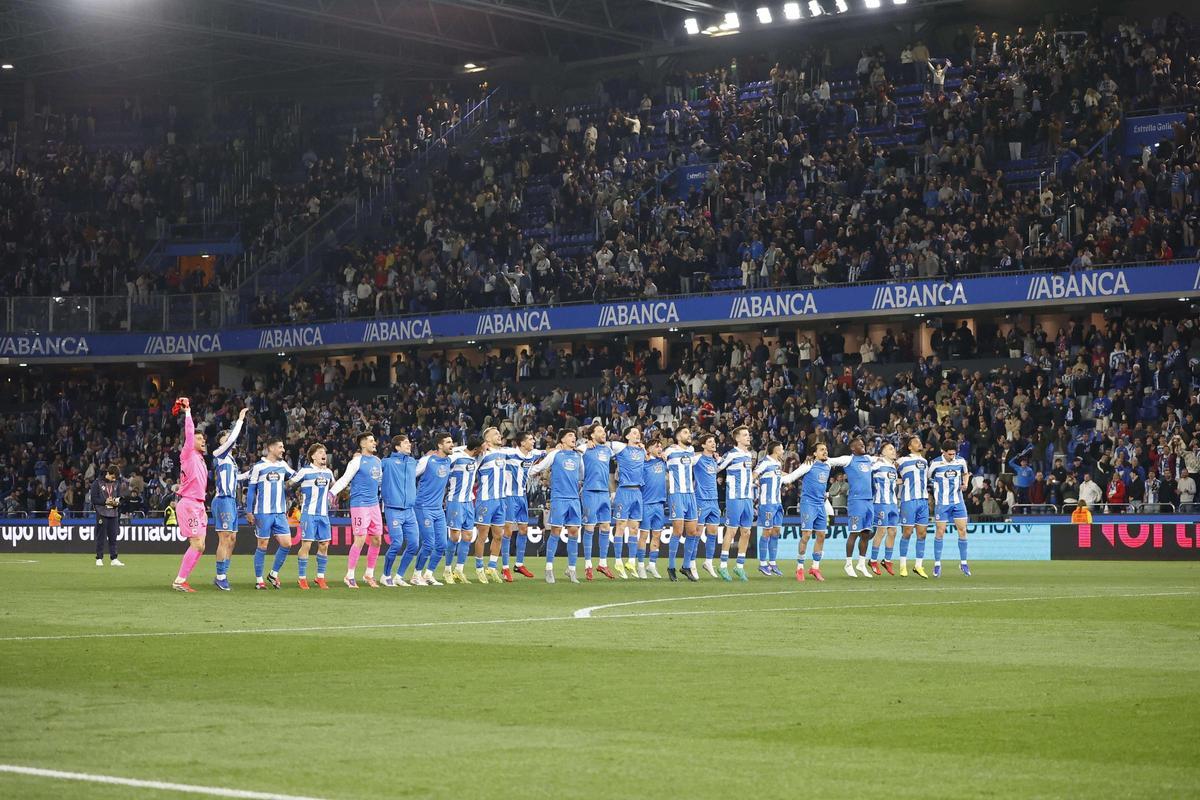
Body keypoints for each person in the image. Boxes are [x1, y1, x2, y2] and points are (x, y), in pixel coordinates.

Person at [791, 440, 852, 582]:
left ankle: (815, 567)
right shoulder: (809, 464)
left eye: (826, 449)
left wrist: (862, 458)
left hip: (820, 504)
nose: (825, 451)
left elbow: (843, 460)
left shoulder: (828, 463)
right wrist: (778, 479)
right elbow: (793, 476)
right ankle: (800, 568)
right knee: (806, 535)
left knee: (821, 535)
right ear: (814, 453)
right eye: (821, 450)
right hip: (808, 504)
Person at [329, 432, 384, 588]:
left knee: (377, 539)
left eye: (374, 440)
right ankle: (350, 575)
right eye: (371, 441)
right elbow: (345, 479)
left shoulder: (377, 461)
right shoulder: (356, 462)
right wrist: (332, 493)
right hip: (359, 504)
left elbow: (378, 483)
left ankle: (369, 574)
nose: (375, 443)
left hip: (374, 504)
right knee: (360, 538)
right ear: (363, 444)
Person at [530, 429, 584, 583]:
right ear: (562, 441)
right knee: (555, 531)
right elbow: (540, 467)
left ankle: (571, 569)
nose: (573, 438)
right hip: (559, 498)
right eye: (570, 436)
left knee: (574, 532)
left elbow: (581, 475)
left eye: (574, 436)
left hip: (574, 498)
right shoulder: (555, 454)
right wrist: (527, 472)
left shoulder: (578, 456)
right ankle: (549, 569)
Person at [245, 437, 296, 589]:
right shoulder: (258, 467)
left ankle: (273, 574)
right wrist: (249, 511)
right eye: (280, 447)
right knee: (263, 545)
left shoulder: (283, 465)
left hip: (280, 512)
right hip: (263, 513)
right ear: (271, 448)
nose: (283, 450)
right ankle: (259, 580)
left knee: (287, 544)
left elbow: (296, 476)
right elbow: (251, 490)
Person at [210, 406, 248, 590]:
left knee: (232, 539)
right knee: (225, 538)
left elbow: (237, 478)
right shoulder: (219, 454)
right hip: (223, 500)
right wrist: (240, 420)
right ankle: (220, 576)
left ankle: (223, 573)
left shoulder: (231, 461)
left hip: (232, 502)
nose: (229, 438)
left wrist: (252, 473)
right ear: (220, 443)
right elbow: (233, 438)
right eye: (225, 437)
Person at [170, 397, 207, 592]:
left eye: (204, 439)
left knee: (201, 546)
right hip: (189, 504)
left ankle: (183, 579)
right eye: (200, 439)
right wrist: (188, 412)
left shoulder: (201, 459)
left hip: (199, 505)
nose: (203, 441)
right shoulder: (188, 453)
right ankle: (179, 580)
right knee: (197, 543)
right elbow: (190, 433)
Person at [289, 443, 335, 589]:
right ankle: (302, 578)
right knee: (307, 545)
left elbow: (334, 488)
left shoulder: (328, 472)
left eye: (325, 452)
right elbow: (289, 484)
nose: (324, 455)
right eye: (321, 452)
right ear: (313, 456)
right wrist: (297, 498)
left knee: (324, 545)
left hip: (323, 515)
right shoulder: (305, 471)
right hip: (308, 514)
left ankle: (320, 577)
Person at [579, 423, 621, 580]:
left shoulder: (608, 450)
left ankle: (602, 563)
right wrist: (583, 444)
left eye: (604, 431)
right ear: (591, 435)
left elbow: (622, 450)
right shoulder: (585, 448)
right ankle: (588, 565)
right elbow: (573, 450)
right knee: (589, 527)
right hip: (590, 492)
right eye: (599, 431)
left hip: (604, 493)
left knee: (605, 527)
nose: (603, 433)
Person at [413, 432, 455, 585]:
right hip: (423, 506)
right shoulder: (427, 460)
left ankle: (428, 574)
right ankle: (416, 575)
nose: (452, 445)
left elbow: (464, 449)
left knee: (442, 544)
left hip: (438, 508)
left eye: (452, 442)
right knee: (429, 543)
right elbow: (410, 475)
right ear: (439, 445)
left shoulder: (449, 459)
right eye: (448, 442)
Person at [502, 432, 545, 580]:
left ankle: (519, 564)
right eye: (530, 439)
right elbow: (493, 451)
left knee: (523, 530)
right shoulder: (509, 453)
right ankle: (505, 567)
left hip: (522, 497)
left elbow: (549, 451)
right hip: (509, 497)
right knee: (507, 532)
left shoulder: (533, 454)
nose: (533, 441)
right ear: (521, 443)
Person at [380, 434, 421, 587]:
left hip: (410, 511)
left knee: (414, 545)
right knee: (397, 543)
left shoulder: (412, 462)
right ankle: (386, 575)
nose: (409, 445)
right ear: (397, 447)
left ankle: (399, 576)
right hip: (393, 509)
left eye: (409, 442)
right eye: (405, 443)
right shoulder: (386, 463)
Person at [716, 426, 755, 581]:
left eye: (748, 434)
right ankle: (723, 566)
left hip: (748, 498)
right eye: (745, 435)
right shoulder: (732, 454)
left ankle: (739, 566)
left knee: (746, 532)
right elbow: (717, 467)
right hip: (734, 497)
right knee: (731, 532)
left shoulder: (749, 454)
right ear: (737, 438)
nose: (748, 437)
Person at [930, 439, 971, 577]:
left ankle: (963, 563)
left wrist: (965, 483)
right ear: (943, 451)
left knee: (962, 530)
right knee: (940, 532)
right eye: (949, 454)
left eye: (954, 454)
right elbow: (928, 478)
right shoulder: (935, 463)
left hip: (958, 501)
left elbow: (966, 474)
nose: (952, 457)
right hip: (942, 503)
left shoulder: (961, 461)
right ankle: (937, 564)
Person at [473, 426, 508, 583]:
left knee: (499, 535)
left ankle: (492, 567)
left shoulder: (503, 453)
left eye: (499, 434)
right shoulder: (482, 454)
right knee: (482, 535)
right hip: (486, 499)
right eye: (495, 434)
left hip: (501, 500)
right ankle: (479, 568)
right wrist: (480, 448)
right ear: (487, 439)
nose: (499, 435)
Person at [445, 438, 482, 583]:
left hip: (468, 502)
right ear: (476, 448)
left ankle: (458, 570)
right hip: (455, 501)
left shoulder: (475, 459)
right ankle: (447, 570)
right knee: (454, 537)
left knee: (467, 536)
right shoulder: (456, 457)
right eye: (482, 447)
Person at [664, 426, 699, 582]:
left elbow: (697, 456)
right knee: (677, 531)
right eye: (685, 432)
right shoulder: (670, 451)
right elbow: (660, 456)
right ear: (677, 436)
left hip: (690, 495)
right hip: (676, 495)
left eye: (689, 432)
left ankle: (685, 566)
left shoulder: (691, 450)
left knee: (692, 532)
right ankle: (671, 566)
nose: (689, 434)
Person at [611, 425, 645, 579]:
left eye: (638, 433)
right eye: (634, 433)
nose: (637, 434)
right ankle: (618, 561)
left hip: (638, 491)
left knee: (634, 528)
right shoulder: (620, 447)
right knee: (620, 526)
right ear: (626, 436)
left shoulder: (642, 451)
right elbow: (605, 445)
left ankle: (631, 561)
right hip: (624, 490)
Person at [841, 437, 877, 579]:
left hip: (869, 500)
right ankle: (848, 564)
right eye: (860, 445)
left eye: (863, 444)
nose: (863, 446)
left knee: (866, 534)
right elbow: (832, 461)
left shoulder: (868, 459)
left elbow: (880, 460)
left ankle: (861, 563)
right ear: (853, 448)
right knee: (854, 533)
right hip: (856, 501)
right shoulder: (848, 460)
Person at [897, 435, 931, 578]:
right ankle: (902, 565)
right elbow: (890, 471)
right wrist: (896, 480)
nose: (919, 443)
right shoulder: (903, 460)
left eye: (919, 441)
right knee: (907, 533)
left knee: (922, 534)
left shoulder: (924, 461)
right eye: (916, 442)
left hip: (923, 501)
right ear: (910, 447)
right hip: (908, 500)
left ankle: (918, 565)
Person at [692, 433, 722, 578]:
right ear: (703, 445)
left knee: (713, 532)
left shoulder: (715, 460)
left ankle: (708, 562)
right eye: (709, 441)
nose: (713, 443)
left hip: (714, 500)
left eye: (714, 441)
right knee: (697, 533)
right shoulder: (697, 459)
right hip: (701, 500)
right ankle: (691, 564)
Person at [753, 441, 786, 576]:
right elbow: (755, 474)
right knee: (767, 532)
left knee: (776, 531)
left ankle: (772, 563)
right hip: (767, 503)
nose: (783, 450)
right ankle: (762, 564)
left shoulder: (778, 463)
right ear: (777, 450)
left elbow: (780, 475)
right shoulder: (765, 461)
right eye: (782, 448)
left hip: (778, 503)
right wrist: (754, 482)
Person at [637, 436, 667, 579]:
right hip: (646, 503)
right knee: (643, 535)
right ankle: (641, 565)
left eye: (661, 446)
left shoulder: (663, 462)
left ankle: (652, 565)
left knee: (657, 535)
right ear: (649, 449)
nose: (660, 448)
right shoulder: (643, 464)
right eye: (656, 446)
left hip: (660, 504)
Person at [869, 443, 900, 575]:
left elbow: (893, 482)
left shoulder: (893, 466)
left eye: (893, 448)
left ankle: (887, 560)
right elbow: (865, 473)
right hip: (880, 503)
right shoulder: (877, 464)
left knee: (893, 532)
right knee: (881, 532)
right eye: (890, 449)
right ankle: (873, 560)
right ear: (882, 452)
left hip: (893, 503)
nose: (893, 451)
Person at [90, 464, 125, 567]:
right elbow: (93, 499)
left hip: (113, 513)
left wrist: (117, 502)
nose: (114, 479)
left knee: (113, 536)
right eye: (113, 477)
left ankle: (114, 558)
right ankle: (99, 558)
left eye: (115, 478)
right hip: (102, 512)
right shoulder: (97, 483)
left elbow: (118, 497)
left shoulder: (116, 483)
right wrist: (105, 501)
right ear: (108, 473)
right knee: (101, 536)